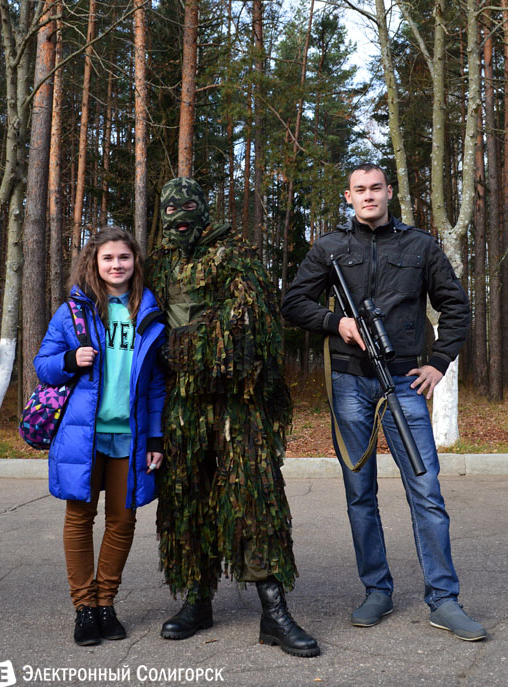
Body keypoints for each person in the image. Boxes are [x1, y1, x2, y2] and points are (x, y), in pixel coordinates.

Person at [282, 162, 486, 641]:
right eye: (360, 189)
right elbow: (293, 302)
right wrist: (336, 323)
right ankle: (377, 590)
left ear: (389, 192)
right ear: (348, 196)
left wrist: (439, 362)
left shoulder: (420, 246)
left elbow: (456, 306)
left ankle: (444, 599)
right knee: (360, 492)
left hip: (404, 380)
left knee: (426, 490)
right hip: (349, 382)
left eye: (376, 188)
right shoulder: (329, 247)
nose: (369, 195)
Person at [147, 177, 320, 658]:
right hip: (181, 408)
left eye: (187, 207)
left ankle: (274, 611)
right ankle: (197, 600)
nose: (179, 217)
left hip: (237, 406)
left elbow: (252, 324)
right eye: (170, 210)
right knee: (187, 502)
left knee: (254, 499)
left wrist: (179, 346)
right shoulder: (158, 264)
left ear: (203, 210)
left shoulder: (233, 255)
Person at [34, 227, 166, 646]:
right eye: (107, 258)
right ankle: (84, 607)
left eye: (123, 257)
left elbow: (156, 384)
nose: (116, 265)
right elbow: (43, 365)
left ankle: (106, 603)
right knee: (80, 517)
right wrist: (71, 358)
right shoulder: (73, 312)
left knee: (123, 520)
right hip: (83, 434)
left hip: (131, 434)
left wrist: (156, 439)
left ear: (135, 262)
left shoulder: (149, 312)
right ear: (94, 262)